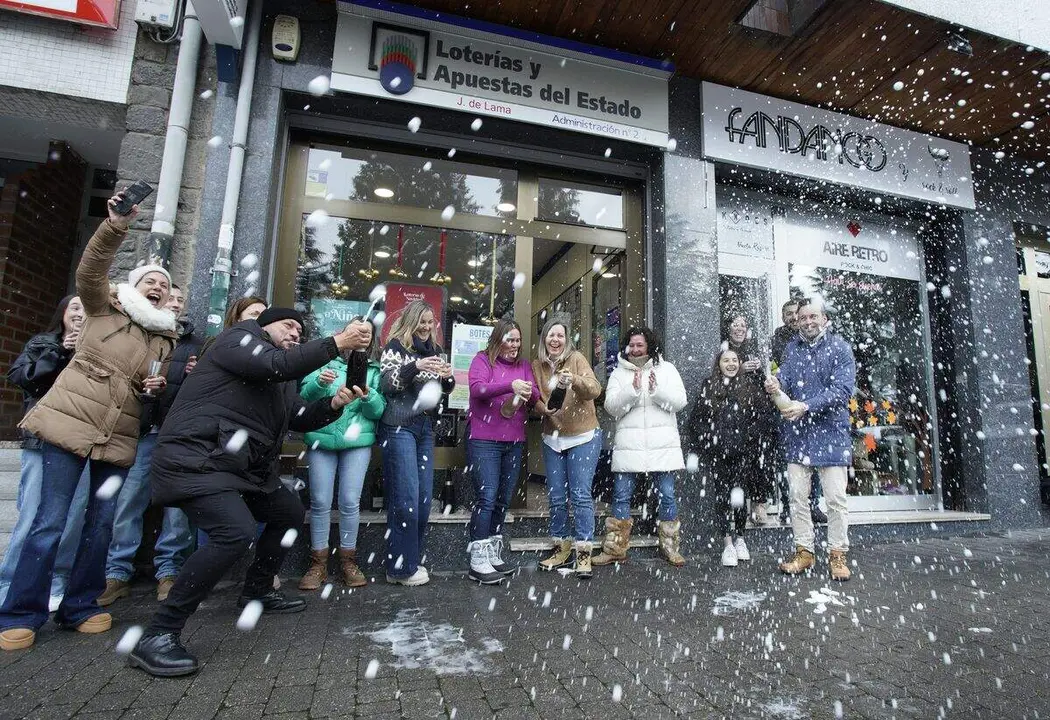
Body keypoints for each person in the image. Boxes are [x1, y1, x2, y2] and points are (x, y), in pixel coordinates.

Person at [128, 309, 371, 676]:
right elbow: (277, 364)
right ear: (263, 326)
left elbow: (299, 416)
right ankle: (158, 634)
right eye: (288, 325)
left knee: (289, 513)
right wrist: (338, 342)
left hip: (240, 467)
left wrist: (334, 404)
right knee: (234, 532)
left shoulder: (279, 377)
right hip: (198, 458)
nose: (295, 333)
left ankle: (257, 590)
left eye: (300, 330)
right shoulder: (239, 340)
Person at [0, 194, 178, 652]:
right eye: (150, 280)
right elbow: (91, 269)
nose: (157, 287)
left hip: (119, 434)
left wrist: (151, 389)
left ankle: (80, 605)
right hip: (70, 424)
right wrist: (114, 226)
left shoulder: (164, 338)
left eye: (164, 284)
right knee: (49, 522)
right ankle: (21, 612)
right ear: (134, 285)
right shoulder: (104, 307)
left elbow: (144, 385)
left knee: (101, 524)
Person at [97, 283, 201, 607]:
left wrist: (195, 375)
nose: (175, 303)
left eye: (180, 299)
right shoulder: (139, 336)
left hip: (179, 434)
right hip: (143, 431)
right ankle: (117, 572)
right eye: (171, 297)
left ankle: (169, 570)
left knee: (177, 507)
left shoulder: (195, 344)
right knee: (129, 501)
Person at [0, 296, 88, 611]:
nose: (80, 313)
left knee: (73, 518)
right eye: (75, 307)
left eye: (86, 308)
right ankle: (11, 582)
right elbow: (25, 380)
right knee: (34, 516)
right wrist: (60, 350)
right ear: (62, 313)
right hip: (42, 442)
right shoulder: (43, 344)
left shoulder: (96, 350)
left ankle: (57, 580)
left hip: (80, 442)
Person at [764, 297, 857, 582]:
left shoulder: (840, 348)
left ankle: (837, 554)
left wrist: (806, 406)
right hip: (799, 435)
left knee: (835, 499)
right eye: (803, 317)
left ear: (824, 319)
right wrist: (776, 384)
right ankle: (804, 551)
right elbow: (786, 381)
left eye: (813, 316)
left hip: (831, 433)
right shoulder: (792, 349)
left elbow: (842, 391)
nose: (807, 322)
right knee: (797, 498)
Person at [298, 317, 386, 591]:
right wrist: (320, 384)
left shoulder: (374, 369)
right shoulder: (324, 360)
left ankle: (349, 561)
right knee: (320, 501)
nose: (362, 336)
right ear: (346, 333)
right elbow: (305, 396)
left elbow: (378, 411)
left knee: (349, 502)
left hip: (357, 443)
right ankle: (318, 563)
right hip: (322, 440)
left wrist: (368, 396)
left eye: (367, 333)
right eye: (357, 331)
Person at [378, 300, 455, 587]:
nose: (426, 327)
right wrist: (415, 366)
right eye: (421, 321)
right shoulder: (395, 348)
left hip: (425, 429)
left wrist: (447, 379)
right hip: (399, 425)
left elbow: (442, 391)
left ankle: (409, 560)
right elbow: (388, 384)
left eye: (430, 322)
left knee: (423, 501)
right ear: (411, 322)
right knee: (406, 498)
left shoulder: (437, 350)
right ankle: (399, 569)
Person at [597, 327, 688, 567]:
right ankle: (616, 549)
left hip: (662, 446)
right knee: (621, 496)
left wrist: (657, 391)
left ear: (649, 345)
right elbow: (611, 407)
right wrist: (633, 391)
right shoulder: (619, 373)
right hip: (629, 446)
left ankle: (670, 548)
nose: (636, 349)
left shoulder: (667, 369)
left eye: (640, 345)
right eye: (632, 345)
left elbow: (680, 401)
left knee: (667, 495)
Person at [465, 319, 537, 585]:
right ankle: (477, 560)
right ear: (498, 339)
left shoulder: (524, 366)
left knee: (503, 500)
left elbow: (535, 395)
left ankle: (492, 554)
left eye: (517, 340)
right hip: (484, 439)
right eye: (509, 339)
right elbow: (477, 389)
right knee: (486, 497)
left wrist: (530, 391)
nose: (514, 345)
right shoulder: (482, 360)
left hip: (514, 440)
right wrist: (510, 386)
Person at [688, 348, 774, 566]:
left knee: (740, 497)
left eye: (735, 360)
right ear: (718, 364)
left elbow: (763, 417)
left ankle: (741, 539)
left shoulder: (749, 387)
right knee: (722, 497)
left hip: (744, 453)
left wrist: (749, 438)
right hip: (719, 454)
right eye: (726, 360)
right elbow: (697, 420)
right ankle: (727, 543)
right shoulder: (709, 386)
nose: (731, 364)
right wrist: (711, 440)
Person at [531, 319, 602, 579]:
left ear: (566, 339)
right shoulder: (537, 366)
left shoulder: (576, 359)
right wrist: (543, 409)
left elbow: (595, 389)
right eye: (551, 335)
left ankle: (583, 552)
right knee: (556, 496)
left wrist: (575, 381)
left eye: (560, 335)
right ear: (544, 339)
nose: (555, 340)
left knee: (580, 494)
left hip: (583, 435)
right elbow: (534, 399)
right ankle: (560, 547)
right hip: (553, 437)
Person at [723, 313, 774, 526]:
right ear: (728, 328)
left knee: (761, 463)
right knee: (738, 466)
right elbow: (719, 380)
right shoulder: (723, 350)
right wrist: (740, 370)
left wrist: (763, 373)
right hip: (735, 417)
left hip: (758, 416)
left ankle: (759, 504)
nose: (740, 328)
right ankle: (737, 509)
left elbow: (765, 381)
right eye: (736, 324)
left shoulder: (754, 350)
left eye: (743, 325)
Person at [770, 300, 800, 367]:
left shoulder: (812, 337)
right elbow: (772, 368)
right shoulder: (775, 342)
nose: (794, 317)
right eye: (789, 314)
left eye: (797, 313)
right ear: (783, 318)